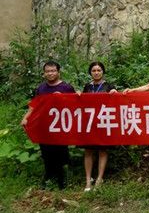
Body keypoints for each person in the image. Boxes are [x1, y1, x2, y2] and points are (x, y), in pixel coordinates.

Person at [22, 61, 75, 189]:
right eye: (47, 71)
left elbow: (75, 106)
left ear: (58, 72)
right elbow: (34, 106)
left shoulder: (66, 87)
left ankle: (62, 180)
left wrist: (62, 98)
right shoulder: (41, 88)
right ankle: (48, 177)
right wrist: (25, 118)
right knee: (46, 153)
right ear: (44, 73)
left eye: (53, 71)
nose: (50, 73)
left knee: (60, 153)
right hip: (44, 126)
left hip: (61, 127)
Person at [81, 62, 117, 191]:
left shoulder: (109, 86)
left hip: (103, 121)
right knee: (88, 151)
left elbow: (116, 102)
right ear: (90, 72)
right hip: (89, 123)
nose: (96, 73)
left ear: (103, 72)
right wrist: (78, 95)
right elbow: (81, 103)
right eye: (94, 70)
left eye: (99, 70)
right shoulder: (87, 86)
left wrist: (115, 93)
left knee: (103, 150)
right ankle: (88, 180)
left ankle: (99, 179)